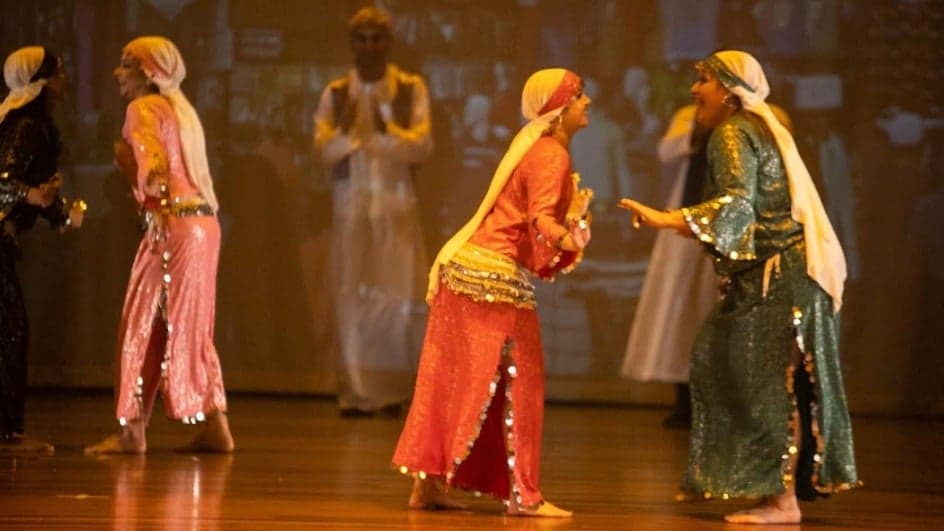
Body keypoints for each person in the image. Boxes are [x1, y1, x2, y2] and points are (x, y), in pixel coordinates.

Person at [620, 50, 859, 524]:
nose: (694, 90)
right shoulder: (761, 128)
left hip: (779, 276)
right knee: (761, 378)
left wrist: (665, 218)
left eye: (703, 80)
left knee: (767, 386)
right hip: (788, 274)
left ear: (729, 90)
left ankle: (781, 499)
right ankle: (776, 493)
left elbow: (736, 208)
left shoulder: (731, 132)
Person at [392, 68, 592, 518]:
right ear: (558, 110)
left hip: (464, 272)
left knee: (451, 382)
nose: (588, 102)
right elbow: (542, 222)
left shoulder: (535, 150)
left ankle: (427, 488)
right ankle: (524, 496)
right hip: (492, 280)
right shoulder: (551, 154)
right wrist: (572, 233)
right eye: (579, 95)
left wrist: (569, 229)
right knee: (524, 382)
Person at [85, 36, 233, 455]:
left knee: (141, 325)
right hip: (203, 224)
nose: (119, 74)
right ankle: (214, 427)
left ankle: (132, 432)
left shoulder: (142, 109)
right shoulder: (182, 113)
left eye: (127, 65)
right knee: (190, 328)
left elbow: (154, 175)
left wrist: (133, 170)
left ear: (149, 73)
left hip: (172, 225)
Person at [622, 101, 792, 429]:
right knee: (681, 312)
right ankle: (685, 401)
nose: (697, 88)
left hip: (740, 225)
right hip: (687, 220)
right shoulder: (691, 115)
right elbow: (666, 151)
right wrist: (699, 129)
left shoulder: (766, 117)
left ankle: (733, 404)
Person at [313, 7, 433, 416]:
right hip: (352, 210)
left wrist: (383, 133)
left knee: (398, 297)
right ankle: (356, 391)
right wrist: (349, 132)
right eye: (362, 39)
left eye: (376, 39)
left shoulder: (408, 89)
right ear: (353, 44)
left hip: (397, 209)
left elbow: (422, 145)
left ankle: (395, 391)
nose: (370, 47)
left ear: (388, 43)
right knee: (350, 295)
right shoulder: (335, 94)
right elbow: (324, 151)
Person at [0, 45, 85, 454]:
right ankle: (7, 433)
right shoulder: (25, 127)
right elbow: (6, 182)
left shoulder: (30, 126)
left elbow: (39, 194)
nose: (64, 80)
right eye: (58, 72)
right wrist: (32, 196)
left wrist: (61, 214)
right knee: (10, 332)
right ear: (41, 81)